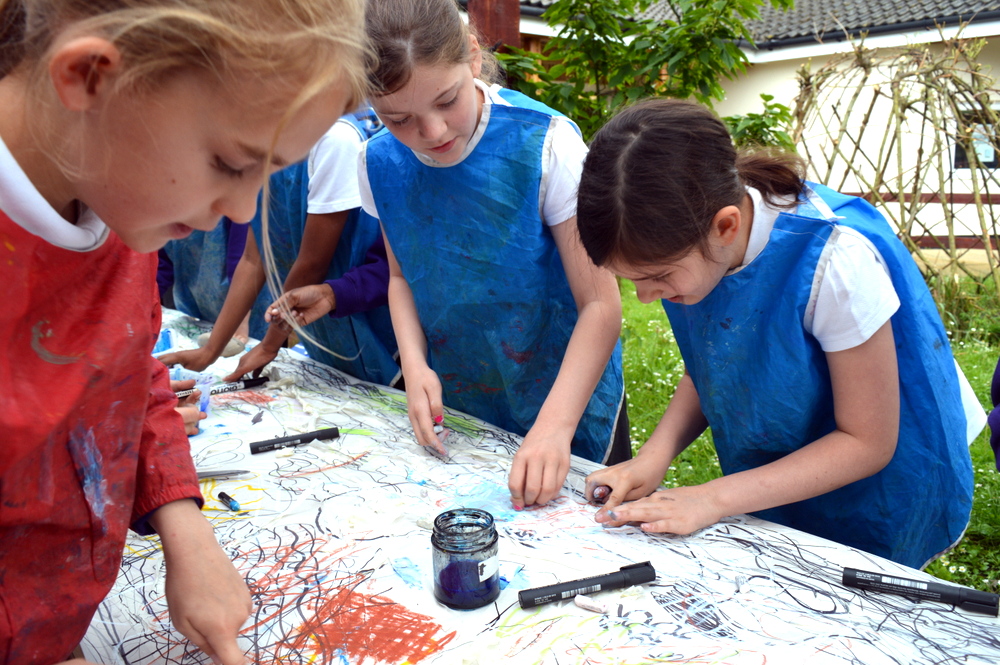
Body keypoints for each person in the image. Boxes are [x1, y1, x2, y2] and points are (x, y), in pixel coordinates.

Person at [0, 0, 367, 663]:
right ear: (89, 76)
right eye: (231, 162)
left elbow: (124, 372)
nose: (239, 210)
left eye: (269, 173)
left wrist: (184, 528)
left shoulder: (110, 186)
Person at [577, 98, 982, 570]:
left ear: (725, 226)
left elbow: (867, 442)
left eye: (658, 277)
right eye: (633, 282)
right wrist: (656, 453)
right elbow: (714, 356)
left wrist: (711, 498)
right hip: (791, 465)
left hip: (884, 480)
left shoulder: (835, 262)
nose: (647, 298)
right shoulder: (696, 249)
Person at [347, 0, 628, 510]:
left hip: (569, 400)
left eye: (447, 100)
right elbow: (401, 277)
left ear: (473, 56)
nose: (432, 134)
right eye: (399, 119)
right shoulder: (377, 161)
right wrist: (413, 364)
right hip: (466, 400)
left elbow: (601, 306)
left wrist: (553, 427)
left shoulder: (546, 145)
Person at [158, 112, 401, 387]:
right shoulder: (262, 140)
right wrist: (210, 351)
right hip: (321, 328)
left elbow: (312, 264)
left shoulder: (335, 140)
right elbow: (253, 258)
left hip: (365, 319)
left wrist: (268, 345)